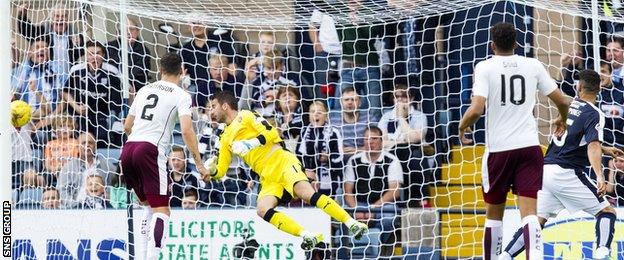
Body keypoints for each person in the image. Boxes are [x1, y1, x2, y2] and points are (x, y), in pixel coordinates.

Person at [457, 22, 570, 259]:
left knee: (493, 214)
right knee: (530, 213)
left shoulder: (485, 67)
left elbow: (477, 109)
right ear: (517, 43)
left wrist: (462, 126)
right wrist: (562, 119)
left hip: (499, 150)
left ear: (492, 45)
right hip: (529, 147)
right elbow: (563, 101)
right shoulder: (533, 65)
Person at [204, 91, 368, 250]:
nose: (211, 111)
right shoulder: (224, 137)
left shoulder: (246, 115)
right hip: (267, 176)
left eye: (213, 106)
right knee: (262, 209)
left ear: (225, 106)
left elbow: (272, 133)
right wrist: (211, 170)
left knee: (306, 193)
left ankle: (351, 223)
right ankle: (307, 235)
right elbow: (221, 170)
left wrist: (250, 143)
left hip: (281, 161)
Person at [500, 70, 622, 259]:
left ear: (578, 87)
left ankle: (505, 255)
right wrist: (599, 175)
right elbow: (592, 145)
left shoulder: (569, 106)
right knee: (607, 212)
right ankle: (602, 252)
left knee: (537, 222)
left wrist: (605, 149)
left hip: (545, 171)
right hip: (566, 172)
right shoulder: (595, 113)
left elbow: (576, 140)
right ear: (599, 89)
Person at [120, 52, 210, 260]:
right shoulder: (182, 95)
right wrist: (199, 164)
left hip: (128, 149)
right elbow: (187, 131)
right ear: (182, 71)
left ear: (160, 70)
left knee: (148, 207)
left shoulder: (144, 89)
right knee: (162, 211)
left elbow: (127, 126)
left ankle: (142, 256)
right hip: (150, 150)